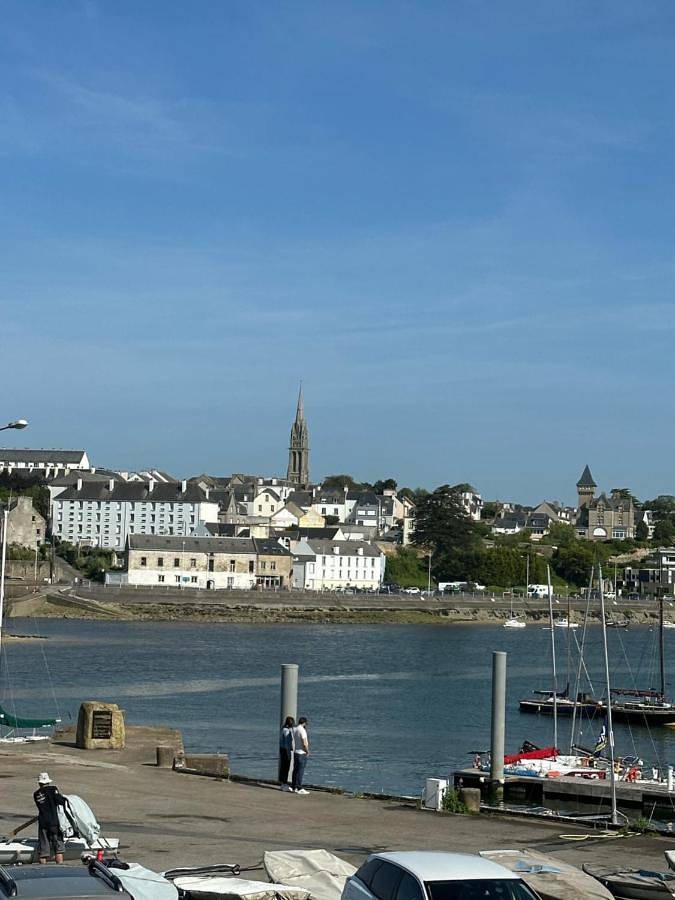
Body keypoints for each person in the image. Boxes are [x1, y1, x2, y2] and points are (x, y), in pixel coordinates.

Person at [33, 772, 66, 864]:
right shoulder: (53, 789)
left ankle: (43, 870)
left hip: (43, 823)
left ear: (39, 783)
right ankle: (60, 869)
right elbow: (60, 801)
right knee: (58, 848)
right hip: (54, 822)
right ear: (48, 782)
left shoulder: (36, 794)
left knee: (43, 850)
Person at [291, 716, 310, 795]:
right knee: (300, 771)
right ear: (304, 723)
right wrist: (307, 751)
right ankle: (299, 788)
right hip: (302, 753)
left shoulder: (295, 729)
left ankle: (293, 787)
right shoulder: (302, 730)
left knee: (295, 770)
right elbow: (304, 743)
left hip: (296, 752)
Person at [279, 716, 295, 791]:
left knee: (284, 767)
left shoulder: (284, 729)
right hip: (286, 750)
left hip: (283, 750)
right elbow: (287, 738)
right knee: (286, 767)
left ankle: (284, 783)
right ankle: (284, 784)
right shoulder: (286, 730)